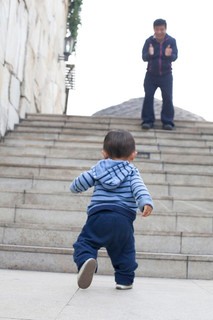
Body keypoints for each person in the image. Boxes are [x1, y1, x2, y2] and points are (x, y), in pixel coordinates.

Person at [70, 130, 153, 290]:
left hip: (98, 216)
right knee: (124, 251)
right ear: (133, 155)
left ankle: (86, 260)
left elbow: (77, 185)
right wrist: (145, 203)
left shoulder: (97, 170)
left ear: (104, 153)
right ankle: (124, 280)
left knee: (85, 243)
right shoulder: (131, 171)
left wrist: (77, 185)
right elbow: (139, 188)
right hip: (123, 219)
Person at [141, 18, 178, 130]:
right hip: (151, 75)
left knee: (167, 98)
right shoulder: (149, 41)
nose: (159, 32)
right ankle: (147, 121)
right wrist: (150, 54)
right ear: (154, 29)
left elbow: (175, 56)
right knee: (148, 97)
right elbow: (144, 57)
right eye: (157, 29)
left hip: (166, 75)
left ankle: (167, 122)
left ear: (165, 29)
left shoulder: (171, 41)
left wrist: (169, 55)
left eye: (162, 29)